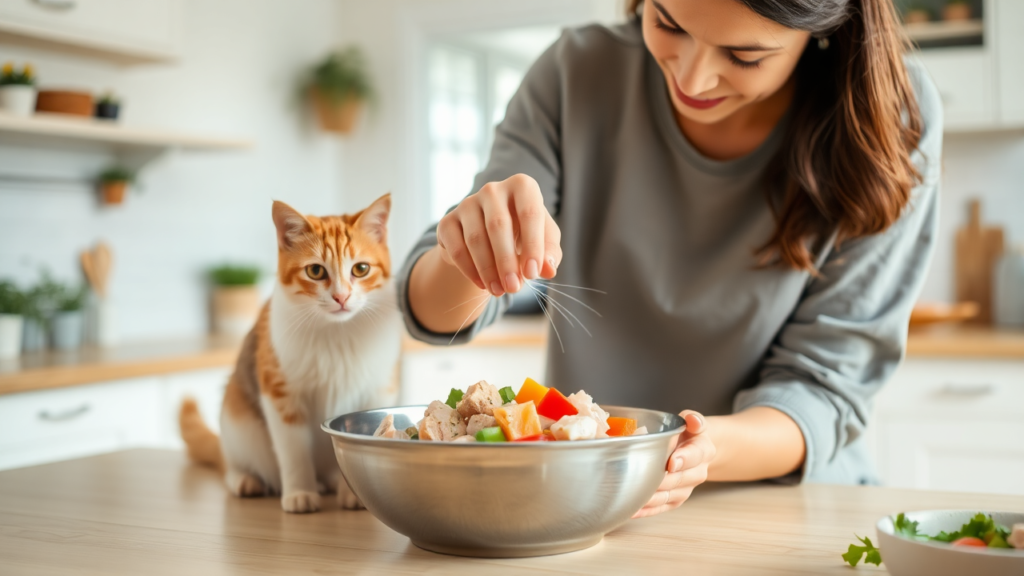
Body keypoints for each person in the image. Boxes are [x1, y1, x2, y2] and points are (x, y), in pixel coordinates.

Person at [398, 0, 941, 518]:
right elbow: (430, 313)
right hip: (591, 506)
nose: (692, 78)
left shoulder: (892, 119)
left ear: (826, 26)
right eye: (669, 22)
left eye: (744, 56)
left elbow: (823, 391)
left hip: (785, 510)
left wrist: (698, 452)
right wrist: (468, 254)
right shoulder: (578, 71)